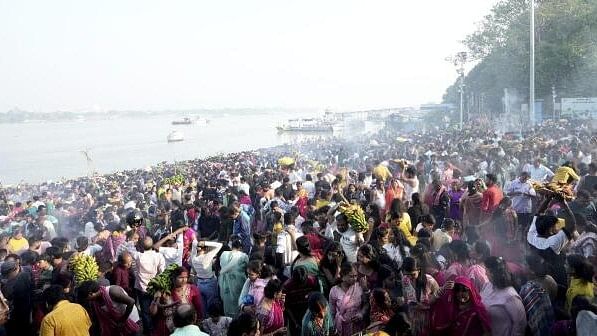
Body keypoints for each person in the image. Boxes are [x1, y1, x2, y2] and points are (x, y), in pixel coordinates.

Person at [480, 256, 526, 336]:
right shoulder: (487, 286)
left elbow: (520, 325)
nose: (485, 273)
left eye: (486, 270)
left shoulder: (511, 296)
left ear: (493, 273)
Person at [519, 254, 555, 336]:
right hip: (549, 323)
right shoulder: (549, 279)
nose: (522, 265)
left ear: (532, 270)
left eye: (525, 264)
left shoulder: (528, 289)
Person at [329, 262, 367, 336]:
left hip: (357, 326)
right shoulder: (334, 290)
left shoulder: (359, 287)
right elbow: (332, 312)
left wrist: (361, 314)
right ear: (343, 276)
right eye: (351, 276)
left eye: (356, 276)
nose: (355, 279)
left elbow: (366, 304)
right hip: (341, 326)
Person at [282, 266, 321, 336]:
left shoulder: (313, 282)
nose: (301, 286)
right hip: (294, 315)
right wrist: (295, 322)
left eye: (303, 283)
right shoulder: (287, 287)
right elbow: (287, 307)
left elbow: (318, 300)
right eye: (298, 284)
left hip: (310, 313)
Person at [219, 236, 249, 317]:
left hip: (225, 283)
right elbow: (248, 269)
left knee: (228, 303)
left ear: (231, 246)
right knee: (238, 301)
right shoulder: (244, 256)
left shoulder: (223, 254)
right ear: (240, 247)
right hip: (239, 283)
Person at [190, 238, 223, 311]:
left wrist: (198, 243)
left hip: (199, 284)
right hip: (210, 283)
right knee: (212, 306)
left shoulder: (193, 257)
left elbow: (194, 245)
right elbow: (219, 245)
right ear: (206, 248)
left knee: (203, 307)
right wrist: (204, 243)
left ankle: (204, 321)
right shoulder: (207, 256)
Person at [504, 171, 536, 240]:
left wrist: (527, 194)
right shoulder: (514, 183)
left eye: (526, 179)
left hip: (526, 210)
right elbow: (508, 193)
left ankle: (522, 239)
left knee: (524, 227)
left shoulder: (529, 184)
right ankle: (514, 239)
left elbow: (534, 195)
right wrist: (516, 192)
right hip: (516, 209)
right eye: (523, 178)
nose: (524, 180)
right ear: (520, 176)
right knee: (515, 226)